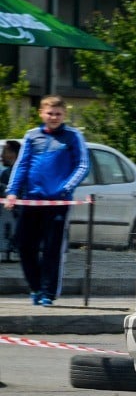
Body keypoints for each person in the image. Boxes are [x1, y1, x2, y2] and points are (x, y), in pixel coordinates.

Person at [4, 96, 90, 306]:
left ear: (64, 115)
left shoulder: (73, 136)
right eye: (50, 113)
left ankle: (48, 293)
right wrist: (12, 192)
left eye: (58, 114)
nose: (54, 117)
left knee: (52, 248)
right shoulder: (32, 136)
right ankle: (36, 287)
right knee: (24, 245)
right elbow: (21, 165)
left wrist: (65, 188)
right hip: (31, 200)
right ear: (41, 113)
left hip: (58, 203)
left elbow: (82, 165)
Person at [0, 140, 22, 262]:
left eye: (4, 151)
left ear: (13, 153)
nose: (1, 155)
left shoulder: (10, 173)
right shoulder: (9, 172)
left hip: (14, 215)